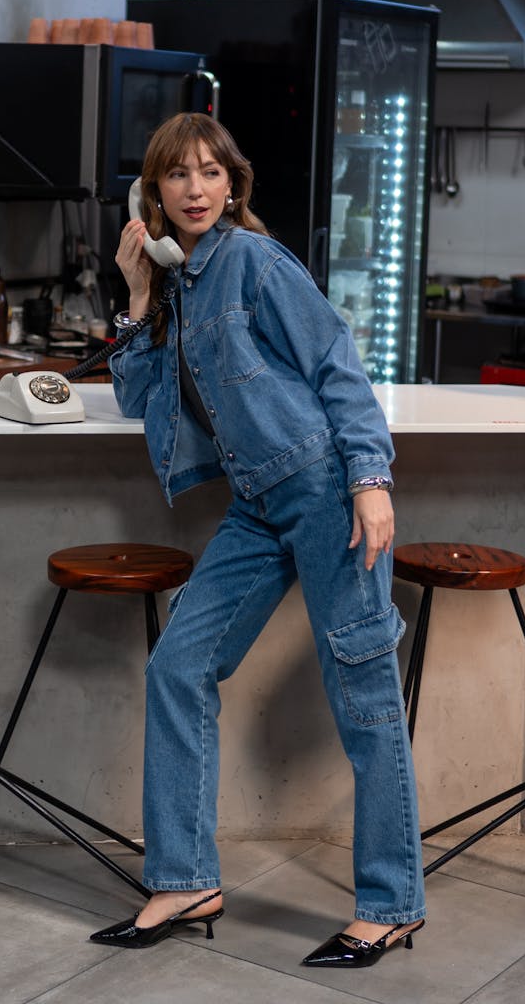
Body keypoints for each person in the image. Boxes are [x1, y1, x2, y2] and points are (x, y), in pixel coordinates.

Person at [91, 112, 425, 970]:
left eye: (209, 173)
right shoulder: (177, 283)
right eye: (176, 176)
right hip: (256, 506)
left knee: (365, 700)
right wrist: (134, 293)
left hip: (324, 495)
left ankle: (391, 905)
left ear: (232, 185)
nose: (195, 189)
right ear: (152, 196)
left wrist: (372, 478)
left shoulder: (251, 261)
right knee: (178, 665)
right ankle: (185, 879)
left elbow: (336, 366)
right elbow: (138, 402)